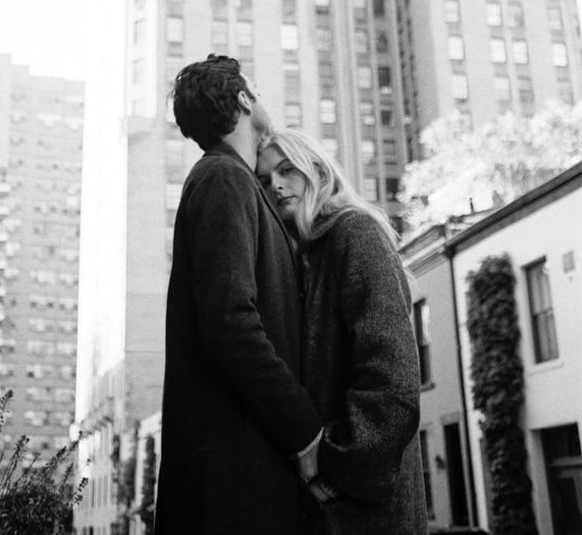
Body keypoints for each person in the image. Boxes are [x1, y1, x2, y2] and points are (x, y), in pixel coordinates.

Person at [154, 55, 323, 535]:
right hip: (234, 486)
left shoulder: (238, 183)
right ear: (245, 99)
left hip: (245, 476)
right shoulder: (223, 178)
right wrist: (305, 430)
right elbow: (230, 321)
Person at [256, 129, 429, 535]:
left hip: (367, 508)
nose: (276, 185)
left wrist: (333, 469)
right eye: (264, 181)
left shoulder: (354, 232)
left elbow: (393, 379)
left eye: (286, 170)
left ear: (317, 171)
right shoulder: (307, 255)